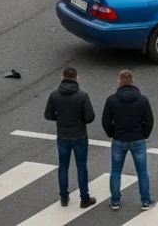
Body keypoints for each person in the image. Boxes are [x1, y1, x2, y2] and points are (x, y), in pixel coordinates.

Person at [103, 69, 155, 211]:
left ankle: (115, 201)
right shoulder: (143, 100)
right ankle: (146, 201)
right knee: (142, 172)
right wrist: (144, 135)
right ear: (133, 81)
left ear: (119, 81)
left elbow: (106, 122)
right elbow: (149, 121)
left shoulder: (111, 100)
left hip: (119, 139)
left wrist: (112, 134)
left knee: (116, 171)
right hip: (138, 139)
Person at [44, 67, 96, 208]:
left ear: (62, 77)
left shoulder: (54, 95)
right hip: (79, 136)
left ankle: (64, 197)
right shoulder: (82, 96)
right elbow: (90, 117)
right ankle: (84, 198)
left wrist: (59, 118)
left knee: (63, 166)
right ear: (76, 78)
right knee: (81, 167)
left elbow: (48, 115)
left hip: (62, 135)